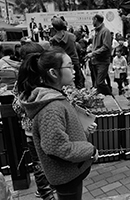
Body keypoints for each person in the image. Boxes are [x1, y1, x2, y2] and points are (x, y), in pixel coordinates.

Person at [16, 46, 99, 200]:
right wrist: (90, 150)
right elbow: (57, 147)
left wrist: (84, 131)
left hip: (70, 172)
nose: (74, 70)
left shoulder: (54, 97)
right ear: (53, 73)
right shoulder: (51, 108)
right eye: (69, 66)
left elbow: (60, 135)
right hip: (66, 176)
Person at [12, 42, 56, 200]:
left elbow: (16, 108)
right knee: (47, 161)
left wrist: (26, 108)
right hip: (45, 130)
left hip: (31, 131)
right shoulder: (47, 79)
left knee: (38, 164)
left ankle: (44, 192)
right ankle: (48, 190)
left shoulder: (21, 82)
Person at [50, 17, 85, 89]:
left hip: (63, 64)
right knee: (79, 82)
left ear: (54, 28)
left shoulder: (53, 40)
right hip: (75, 62)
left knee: (66, 85)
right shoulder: (72, 36)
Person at [86, 14, 112, 95]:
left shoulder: (105, 31)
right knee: (96, 84)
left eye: (93, 20)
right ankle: (101, 99)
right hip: (95, 61)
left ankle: (110, 96)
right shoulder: (96, 31)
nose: (92, 22)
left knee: (100, 82)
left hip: (102, 61)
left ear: (96, 19)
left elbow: (106, 47)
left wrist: (93, 53)